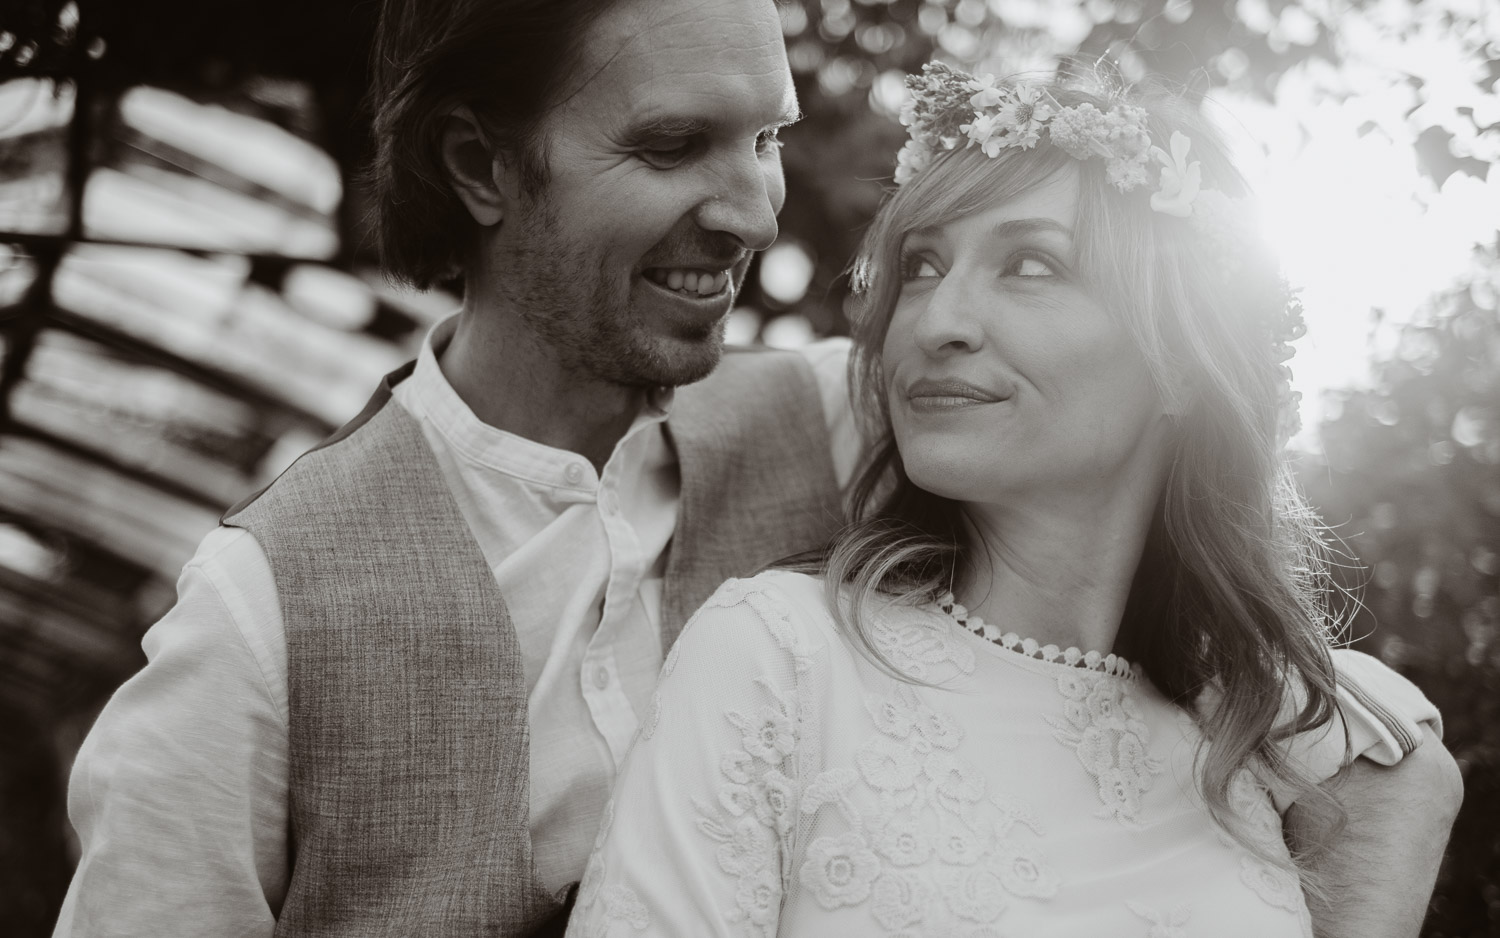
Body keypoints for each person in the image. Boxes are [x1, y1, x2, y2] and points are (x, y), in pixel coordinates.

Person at [51, 1, 1454, 936]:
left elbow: (1169, 581)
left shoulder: (864, 420)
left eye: (768, 136)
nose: (749, 207)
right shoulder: (266, 604)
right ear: (484, 168)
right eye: (674, 146)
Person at [565, 65, 1461, 938]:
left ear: (1183, 359)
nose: (936, 320)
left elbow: (1392, 747)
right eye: (920, 266)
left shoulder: (1258, 735)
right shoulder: (777, 655)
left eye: (1031, 264)